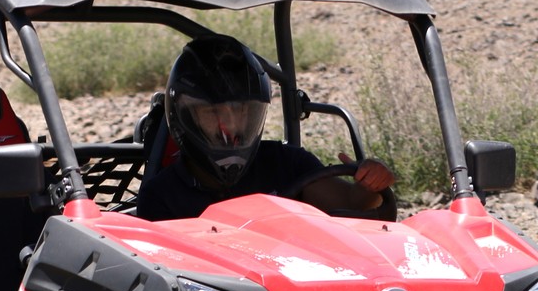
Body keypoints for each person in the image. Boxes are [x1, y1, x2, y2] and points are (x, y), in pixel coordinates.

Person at [136, 34, 395, 223]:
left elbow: (351, 205)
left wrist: (368, 184)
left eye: (240, 109)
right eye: (213, 112)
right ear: (185, 116)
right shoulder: (161, 196)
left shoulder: (286, 163)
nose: (229, 125)